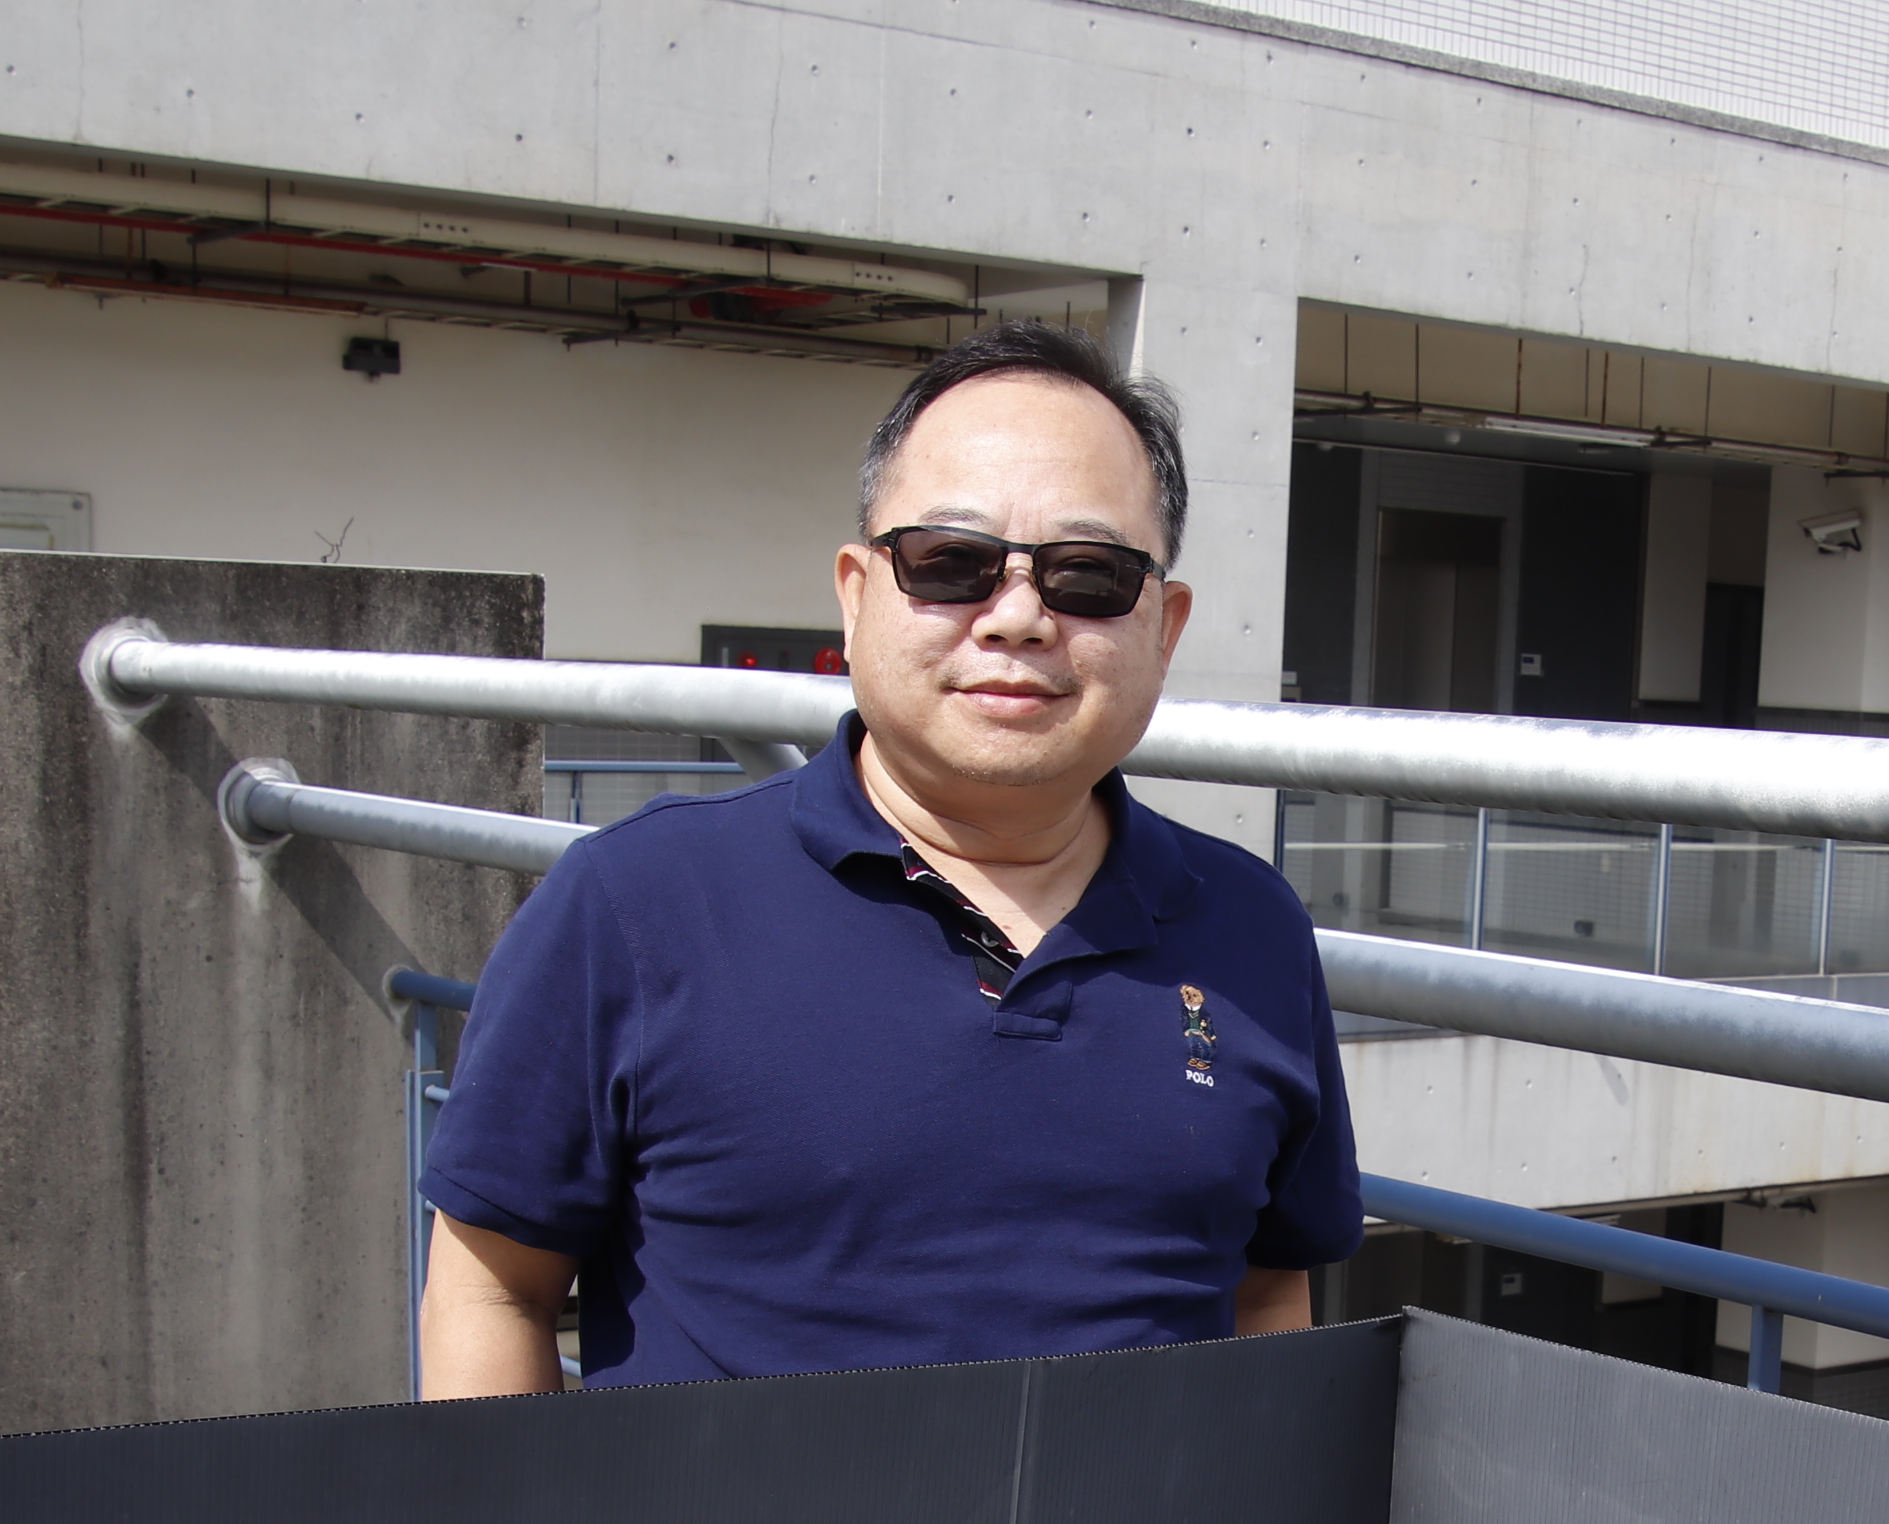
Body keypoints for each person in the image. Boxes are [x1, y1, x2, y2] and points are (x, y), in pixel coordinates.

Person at [415, 322, 1362, 1395]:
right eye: (951, 564)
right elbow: (493, 1285)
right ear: (858, 591)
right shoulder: (637, 905)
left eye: (1087, 575)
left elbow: (1269, 1294)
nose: (1017, 616)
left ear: (1165, 625)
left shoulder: (1252, 928)